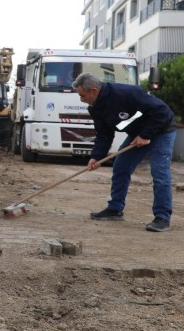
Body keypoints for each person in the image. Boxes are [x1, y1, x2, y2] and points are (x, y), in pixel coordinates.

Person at [72, 72, 177, 232]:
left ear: (94, 91)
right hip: (139, 134)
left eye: (83, 95)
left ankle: (162, 217)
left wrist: (145, 135)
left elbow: (161, 111)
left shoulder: (127, 93)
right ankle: (115, 209)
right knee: (121, 166)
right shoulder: (96, 109)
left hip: (162, 130)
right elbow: (104, 134)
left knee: (160, 173)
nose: (82, 99)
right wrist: (97, 157)